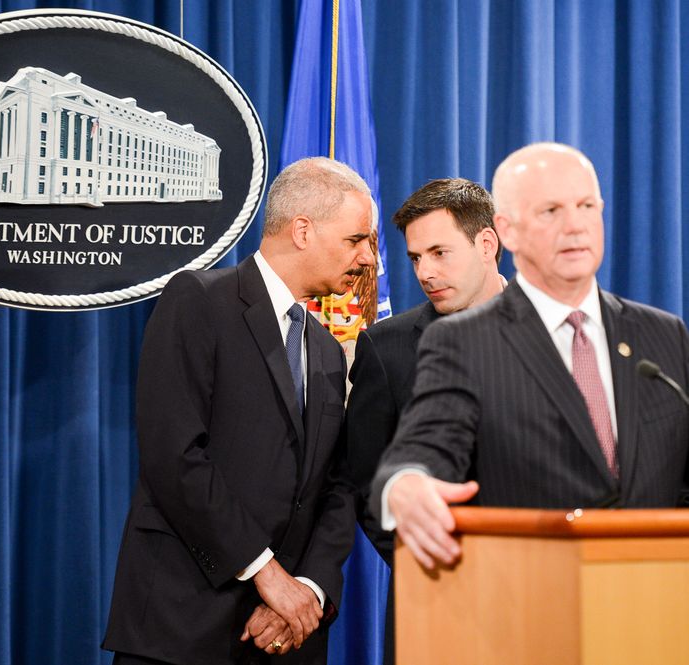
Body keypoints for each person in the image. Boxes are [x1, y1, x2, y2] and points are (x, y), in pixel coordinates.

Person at [103, 157, 374, 664]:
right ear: (302, 230)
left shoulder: (329, 351)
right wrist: (267, 575)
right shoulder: (200, 302)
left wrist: (308, 589)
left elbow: (338, 486)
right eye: (356, 239)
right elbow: (175, 456)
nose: (366, 258)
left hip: (285, 635)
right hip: (182, 627)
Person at [372, 142, 689, 571]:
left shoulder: (662, 335)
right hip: (524, 601)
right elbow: (423, 447)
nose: (575, 225)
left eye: (586, 206)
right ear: (508, 232)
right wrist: (405, 486)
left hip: (650, 603)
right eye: (551, 211)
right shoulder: (461, 342)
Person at [345, 178, 504, 664]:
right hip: (435, 602)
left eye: (439, 252)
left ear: (487, 244)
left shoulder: (560, 334)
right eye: (416, 258)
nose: (426, 272)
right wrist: (432, 564)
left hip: (551, 595)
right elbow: (366, 484)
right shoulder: (386, 347)